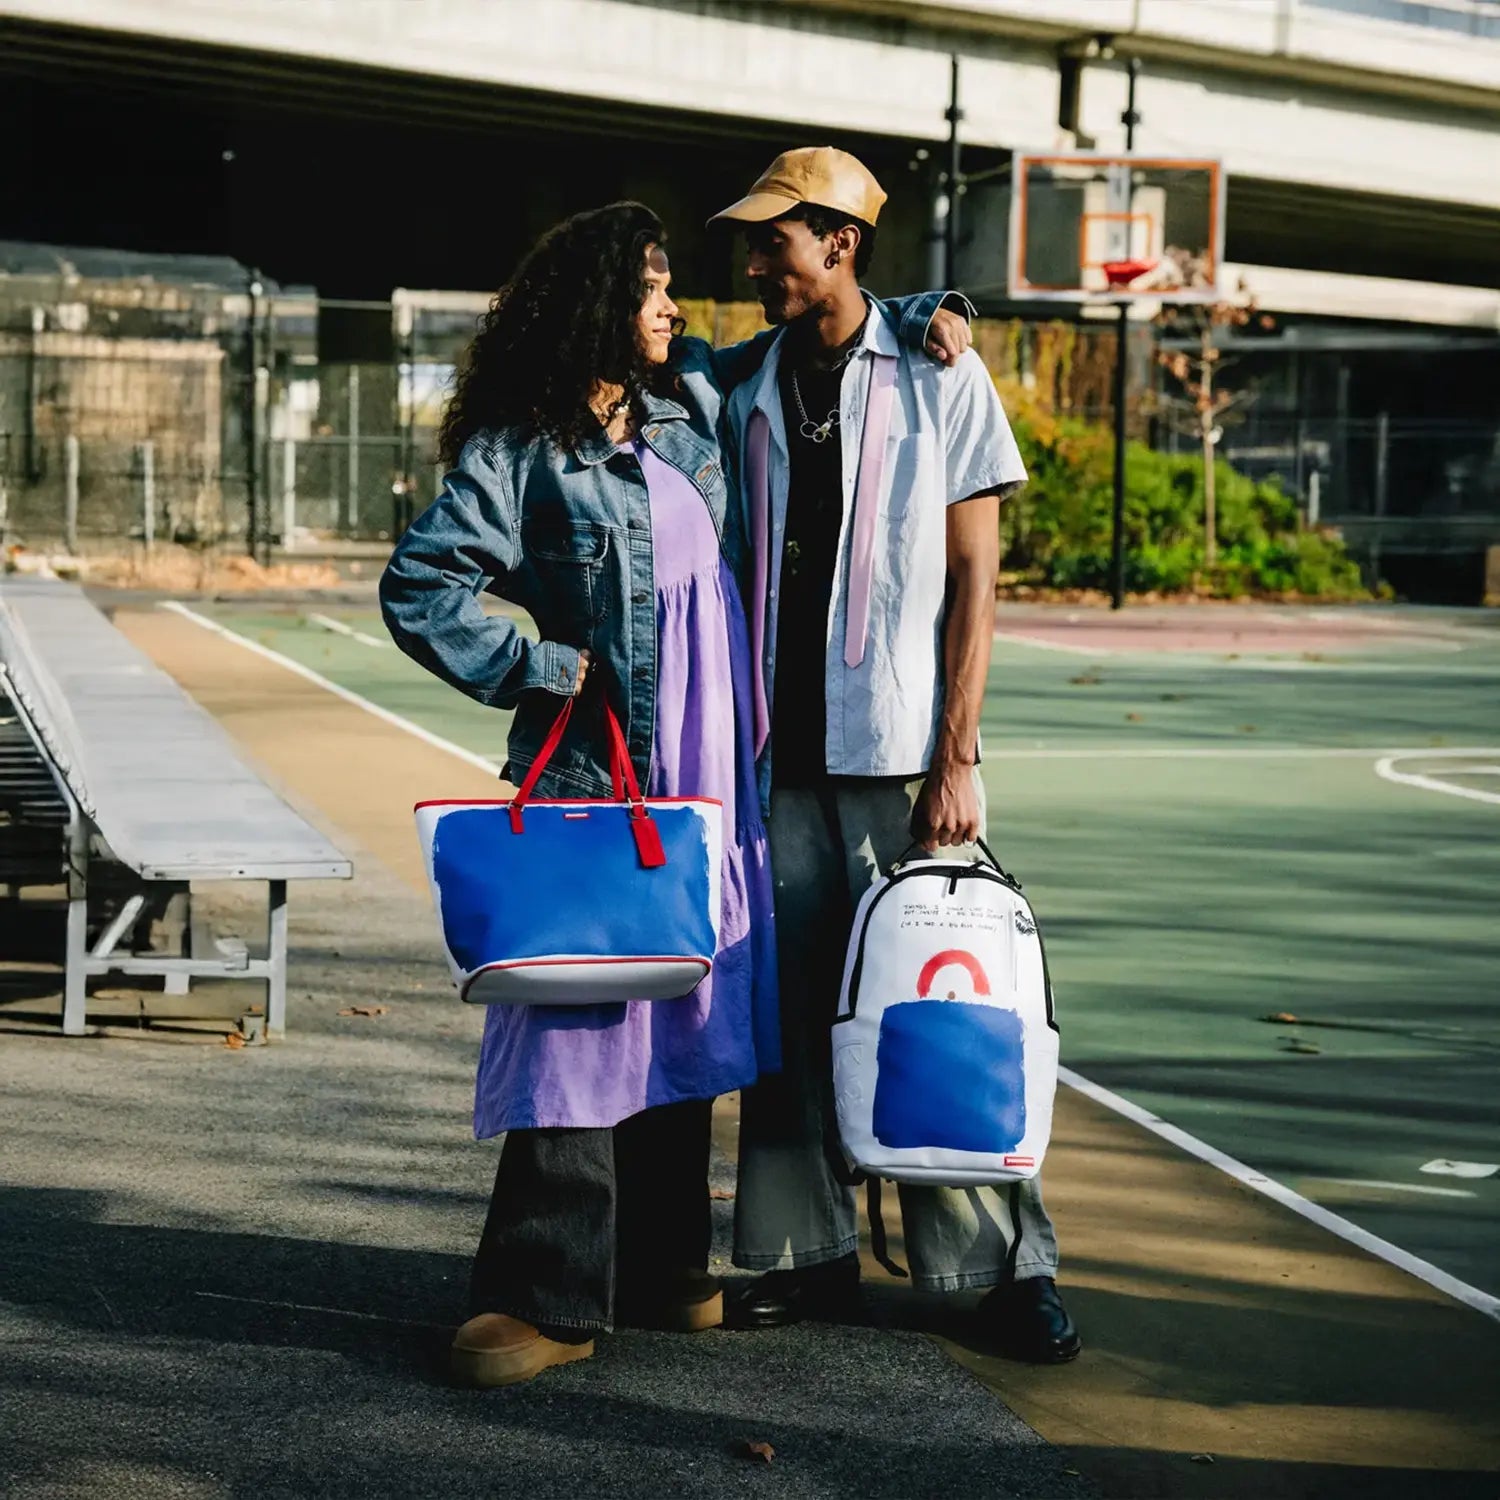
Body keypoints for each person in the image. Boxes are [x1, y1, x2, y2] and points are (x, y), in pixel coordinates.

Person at [380, 201, 972, 1387]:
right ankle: (542, 1291)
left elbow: (823, 322)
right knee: (577, 1020)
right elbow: (421, 586)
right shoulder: (521, 449)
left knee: (680, 1000)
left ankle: (656, 1263)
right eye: (650, 288)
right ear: (597, 305)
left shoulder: (690, 397)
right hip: (605, 771)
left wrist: (926, 312)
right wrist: (544, 667)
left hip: (714, 771)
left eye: (668, 288)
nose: (671, 305)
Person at [711, 148, 1081, 1363]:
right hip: (775, 764)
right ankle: (803, 1256)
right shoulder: (746, 381)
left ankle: (1001, 1269)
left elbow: (977, 581)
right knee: (788, 1020)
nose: (755, 261)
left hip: (906, 762)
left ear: (842, 243)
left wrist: (957, 757)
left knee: (939, 1010)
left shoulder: (943, 379)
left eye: (775, 239)